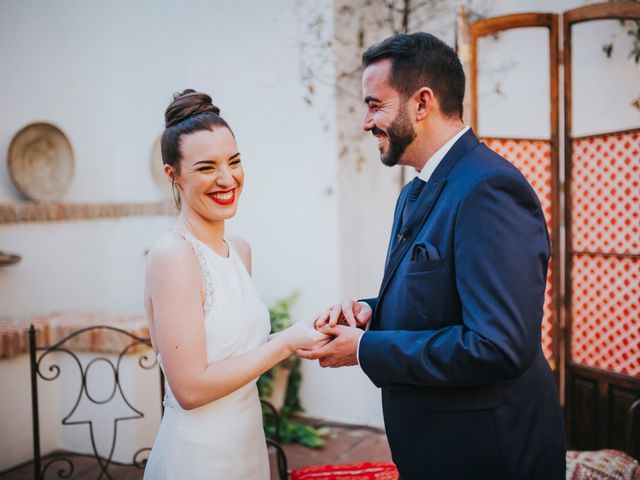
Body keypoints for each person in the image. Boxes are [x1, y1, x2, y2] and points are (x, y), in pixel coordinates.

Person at [300, 33, 566, 479]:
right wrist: (369, 312)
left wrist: (366, 349)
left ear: (421, 103)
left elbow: (496, 345)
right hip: (436, 451)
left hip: (489, 455)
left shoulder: (488, 189)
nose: (366, 122)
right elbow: (441, 300)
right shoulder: (414, 192)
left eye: (374, 104)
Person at [143, 89, 328, 480]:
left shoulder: (240, 250)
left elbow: (240, 353)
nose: (227, 179)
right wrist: (286, 341)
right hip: (197, 460)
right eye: (207, 167)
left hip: (246, 448)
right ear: (172, 175)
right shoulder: (172, 256)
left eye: (235, 161)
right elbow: (189, 390)